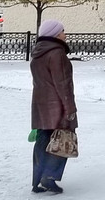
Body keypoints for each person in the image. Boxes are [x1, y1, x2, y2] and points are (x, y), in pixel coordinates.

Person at [30, 19, 77, 194]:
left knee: (43, 143)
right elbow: (63, 84)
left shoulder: (37, 53)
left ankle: (37, 180)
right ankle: (49, 178)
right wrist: (70, 109)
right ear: (55, 34)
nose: (65, 34)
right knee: (61, 142)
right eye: (63, 31)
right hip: (58, 107)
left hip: (40, 106)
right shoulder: (57, 53)